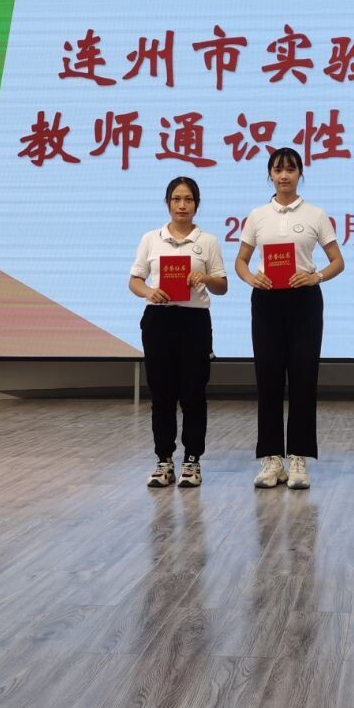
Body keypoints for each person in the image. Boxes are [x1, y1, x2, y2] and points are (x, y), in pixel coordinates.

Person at [235, 147, 345, 490]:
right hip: (267, 300)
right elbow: (241, 261)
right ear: (270, 174)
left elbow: (337, 261)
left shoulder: (315, 214)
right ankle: (271, 458)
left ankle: (298, 457)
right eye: (278, 169)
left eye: (291, 169)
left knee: (303, 377)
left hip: (304, 301)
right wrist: (251, 278)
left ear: (300, 174)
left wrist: (317, 276)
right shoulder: (257, 215)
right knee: (267, 377)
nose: (284, 175)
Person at [128, 176, 228, 488]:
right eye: (176, 199)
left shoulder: (208, 241)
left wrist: (205, 278)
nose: (182, 205)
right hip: (159, 320)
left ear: (197, 204)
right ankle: (164, 460)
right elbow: (135, 280)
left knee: (193, 394)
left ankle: (192, 460)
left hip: (194, 322)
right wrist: (150, 291)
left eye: (188, 199)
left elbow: (222, 286)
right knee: (162, 395)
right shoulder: (151, 238)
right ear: (167, 202)